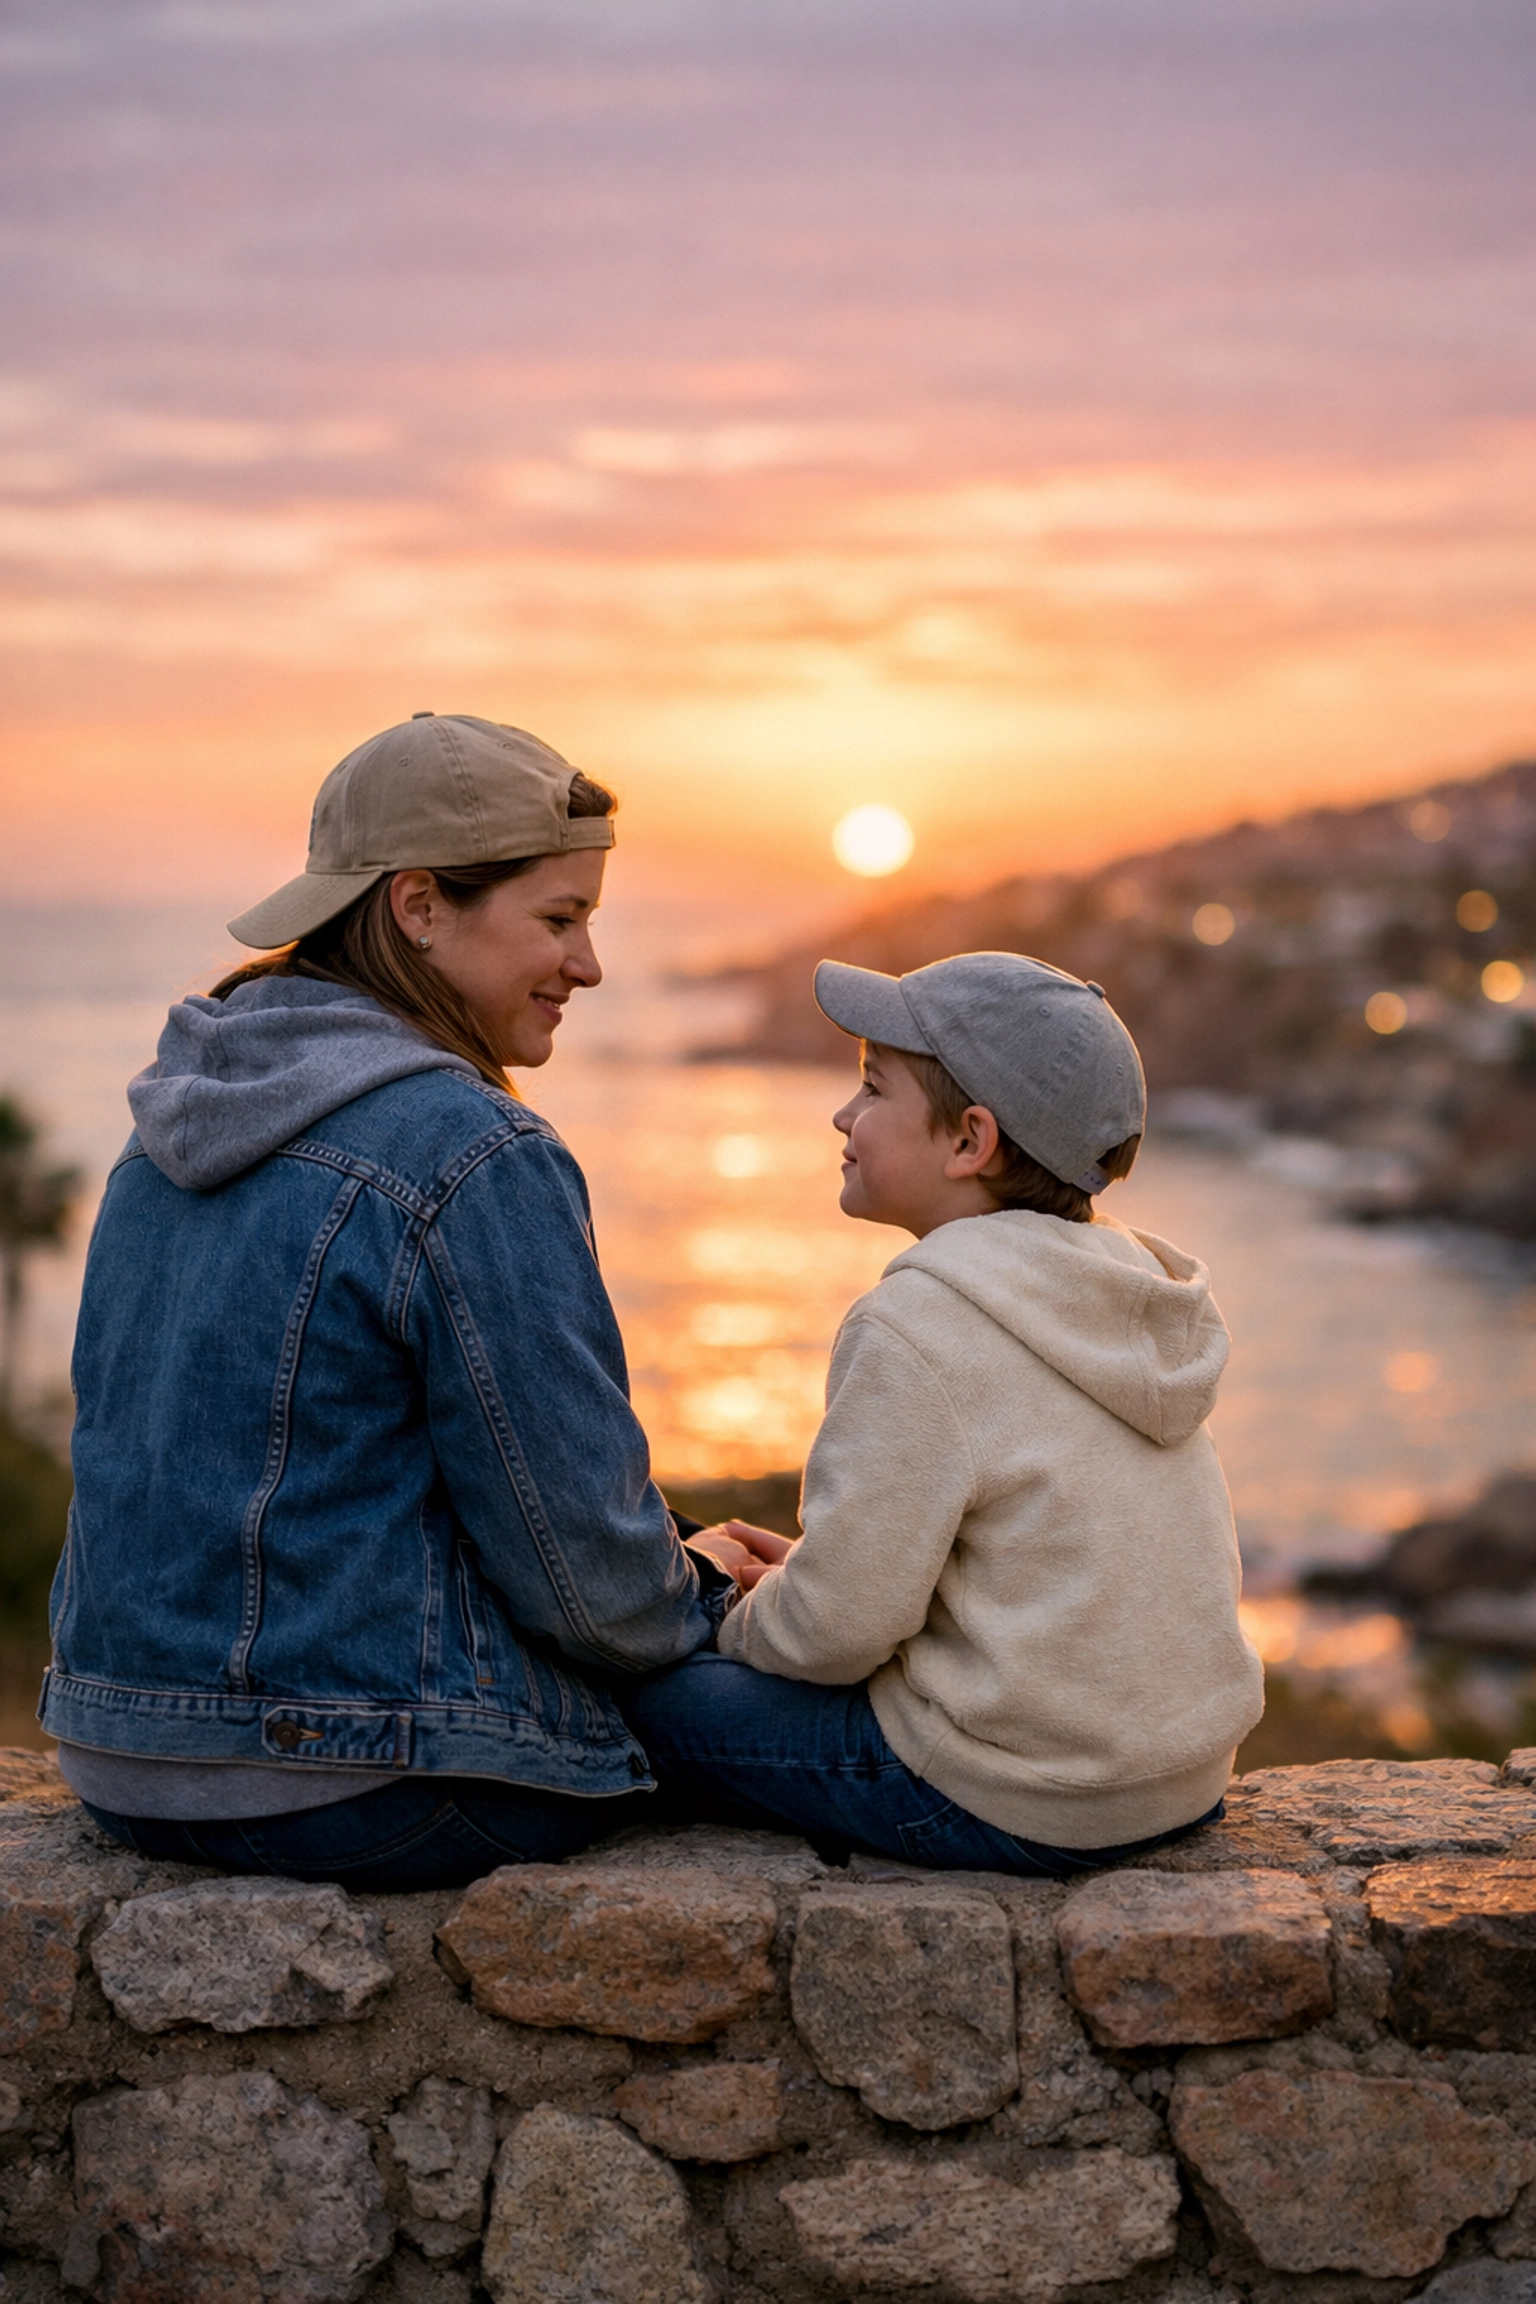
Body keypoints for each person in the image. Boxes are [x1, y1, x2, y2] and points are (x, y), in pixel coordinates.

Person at [43, 713, 758, 1890]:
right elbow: (595, 1598)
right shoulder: (471, 1148)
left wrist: (672, 1554)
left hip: (119, 1753)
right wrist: (710, 1589)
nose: (588, 967)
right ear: (419, 907)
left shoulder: (165, 1124)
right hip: (352, 1778)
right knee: (829, 1730)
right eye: (560, 919)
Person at [621, 952, 1265, 1876]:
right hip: (1175, 1781)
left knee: (641, 1702)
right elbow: (1040, 1554)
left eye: (873, 1089)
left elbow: (831, 1641)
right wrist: (816, 1573)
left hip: (1016, 1796)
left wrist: (734, 1608)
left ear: (970, 1141)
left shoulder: (919, 1318)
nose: (842, 1117)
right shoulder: (1126, 1291)